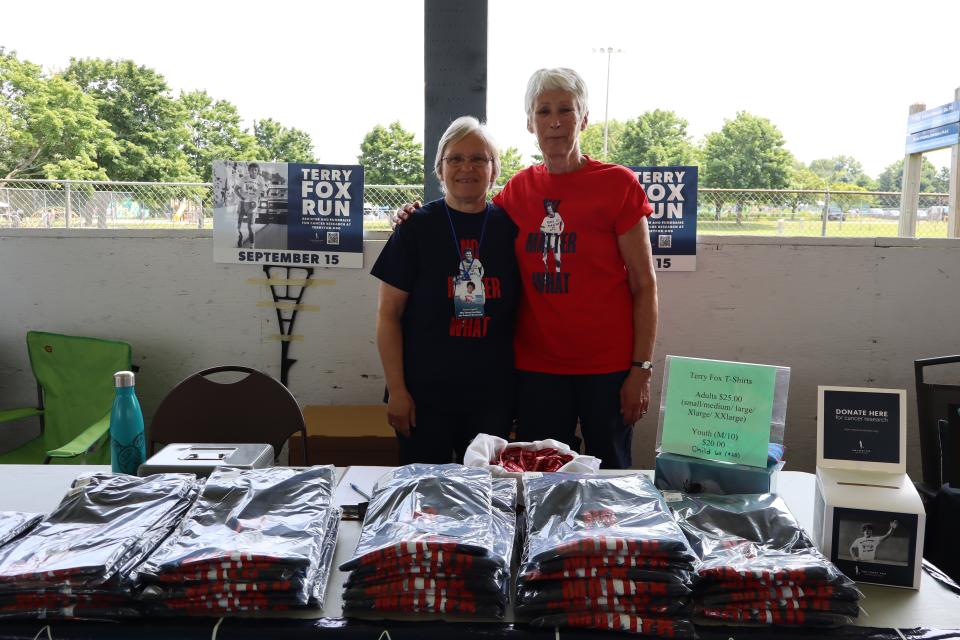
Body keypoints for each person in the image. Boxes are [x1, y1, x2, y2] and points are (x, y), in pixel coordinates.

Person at [396, 68, 657, 468]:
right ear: (530, 123)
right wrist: (413, 215)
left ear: (583, 118)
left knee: (611, 477)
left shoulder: (618, 184)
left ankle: (607, 536)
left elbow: (644, 285)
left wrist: (641, 370)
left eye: (566, 110)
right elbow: (467, 212)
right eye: (543, 111)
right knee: (539, 482)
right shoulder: (518, 190)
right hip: (538, 371)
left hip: (608, 370)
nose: (555, 121)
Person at [372, 116, 519, 464]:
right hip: (423, 398)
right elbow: (388, 315)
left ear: (494, 169)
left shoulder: (511, 229)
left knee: (487, 499)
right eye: (455, 158)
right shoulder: (415, 228)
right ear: (440, 168)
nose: (466, 167)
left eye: (479, 158)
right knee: (426, 502)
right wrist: (397, 391)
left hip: (492, 399)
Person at [234, 162, 265, 248]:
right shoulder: (244, 179)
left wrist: (258, 196)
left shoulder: (261, 179)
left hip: (252, 204)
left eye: (255, 170)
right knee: (238, 225)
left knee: (250, 226)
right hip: (242, 203)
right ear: (249, 171)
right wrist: (241, 197)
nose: (254, 171)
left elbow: (263, 192)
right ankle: (240, 237)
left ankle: (252, 246)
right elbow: (236, 189)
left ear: (258, 171)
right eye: (252, 170)